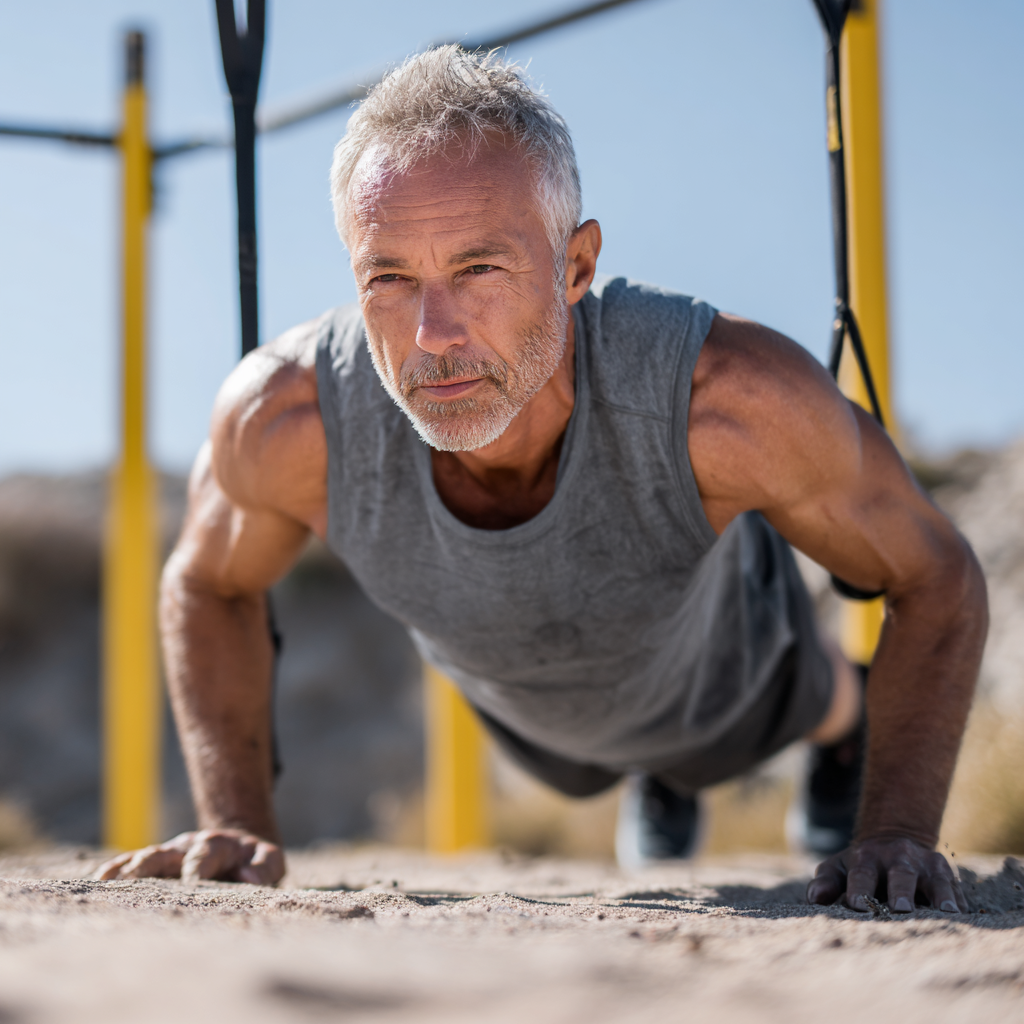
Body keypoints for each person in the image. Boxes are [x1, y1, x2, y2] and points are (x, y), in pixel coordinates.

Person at [97, 47, 986, 913]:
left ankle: (836, 734)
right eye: (391, 277)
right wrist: (237, 822)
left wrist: (897, 828)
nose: (433, 334)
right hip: (542, 727)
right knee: (590, 758)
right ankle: (656, 777)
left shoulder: (727, 400)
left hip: (727, 674)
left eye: (478, 269)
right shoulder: (286, 419)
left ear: (576, 267)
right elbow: (206, 583)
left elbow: (935, 572)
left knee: (800, 700)